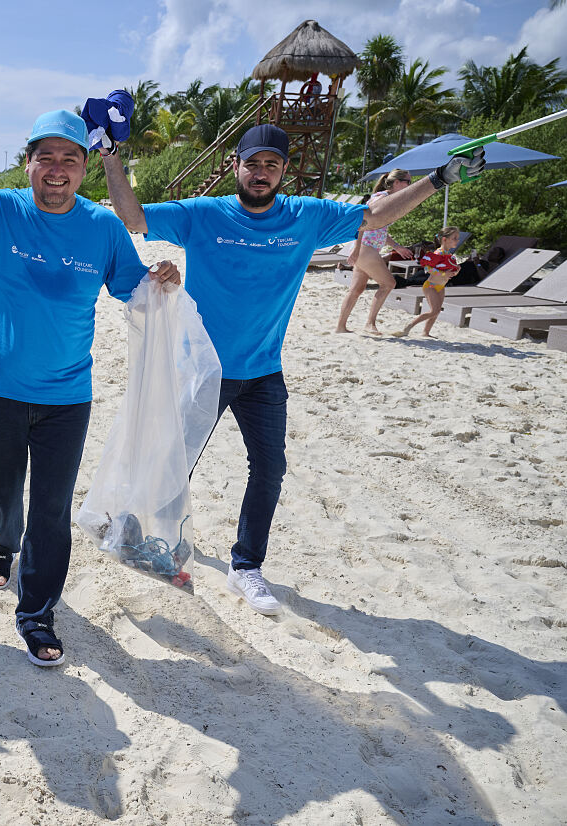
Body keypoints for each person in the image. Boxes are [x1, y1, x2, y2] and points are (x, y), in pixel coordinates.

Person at [100, 122, 484, 615]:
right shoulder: (204, 214)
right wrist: (110, 154)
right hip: (202, 369)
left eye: (272, 165)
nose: (261, 173)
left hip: (263, 371)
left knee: (270, 468)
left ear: (284, 171)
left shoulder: (307, 216)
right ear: (235, 165)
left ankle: (247, 567)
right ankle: (138, 528)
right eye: (253, 163)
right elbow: (133, 218)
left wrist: (440, 179)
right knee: (176, 460)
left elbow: (373, 214)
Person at [0, 87, 180, 667]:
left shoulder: (102, 229)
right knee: (1, 486)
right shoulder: (1, 210)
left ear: (85, 167)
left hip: (65, 395)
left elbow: (134, 289)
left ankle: (36, 615)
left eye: (70, 159)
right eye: (46, 158)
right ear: (27, 162)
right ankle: (2, 544)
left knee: (51, 510)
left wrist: (162, 277)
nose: (57, 171)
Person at [335, 170, 415, 335]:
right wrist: (356, 251)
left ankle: (340, 327)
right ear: (397, 183)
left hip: (367, 248)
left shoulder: (388, 199)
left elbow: (380, 230)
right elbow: (362, 223)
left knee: (357, 289)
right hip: (364, 248)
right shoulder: (382, 199)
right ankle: (370, 324)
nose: (410, 185)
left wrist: (397, 246)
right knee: (389, 283)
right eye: (408, 181)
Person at [401, 226, 462, 338]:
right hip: (431, 286)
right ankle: (409, 325)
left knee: (436, 311)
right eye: (454, 238)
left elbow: (446, 270)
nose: (457, 240)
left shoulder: (448, 254)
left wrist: (455, 272)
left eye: (457, 238)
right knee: (434, 311)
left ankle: (425, 332)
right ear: (444, 239)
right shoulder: (438, 253)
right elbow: (428, 269)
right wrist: (444, 274)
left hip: (441, 286)